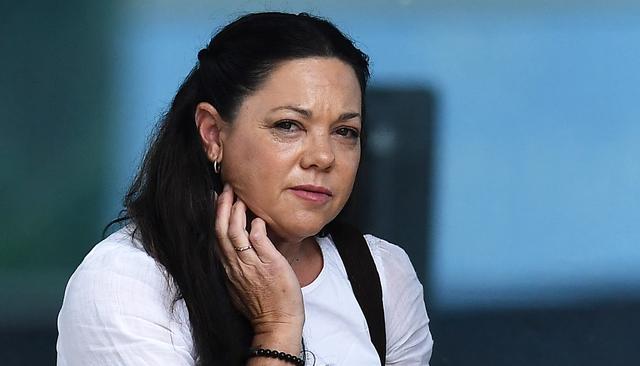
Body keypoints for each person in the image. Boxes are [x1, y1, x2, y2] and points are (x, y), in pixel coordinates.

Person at [56, 12, 433, 366]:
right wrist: (277, 331)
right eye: (288, 125)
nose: (323, 156)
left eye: (345, 132)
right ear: (213, 134)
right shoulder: (126, 282)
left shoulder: (382, 277)